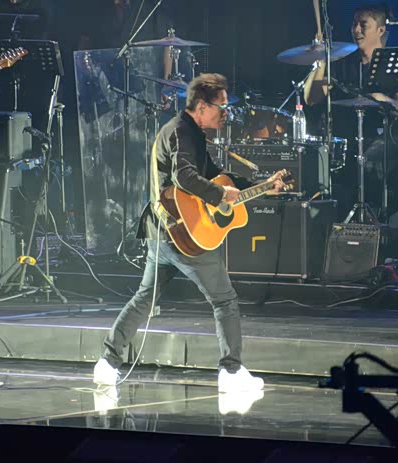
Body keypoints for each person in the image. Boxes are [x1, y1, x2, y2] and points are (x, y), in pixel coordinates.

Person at [93, 73, 286, 392]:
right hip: (185, 236)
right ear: (201, 106)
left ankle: (107, 363)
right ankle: (231, 372)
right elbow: (184, 177)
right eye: (221, 107)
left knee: (144, 298)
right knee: (224, 300)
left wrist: (262, 186)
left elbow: (217, 176)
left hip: (162, 233)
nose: (225, 113)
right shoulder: (182, 132)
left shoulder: (187, 132)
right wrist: (219, 195)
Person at [304, 4, 398, 218]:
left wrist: (382, 99)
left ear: (380, 30)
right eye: (354, 24)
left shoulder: (393, 63)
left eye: (363, 25)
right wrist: (322, 58)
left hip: (383, 144)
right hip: (346, 145)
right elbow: (312, 99)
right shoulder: (342, 62)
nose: (356, 30)